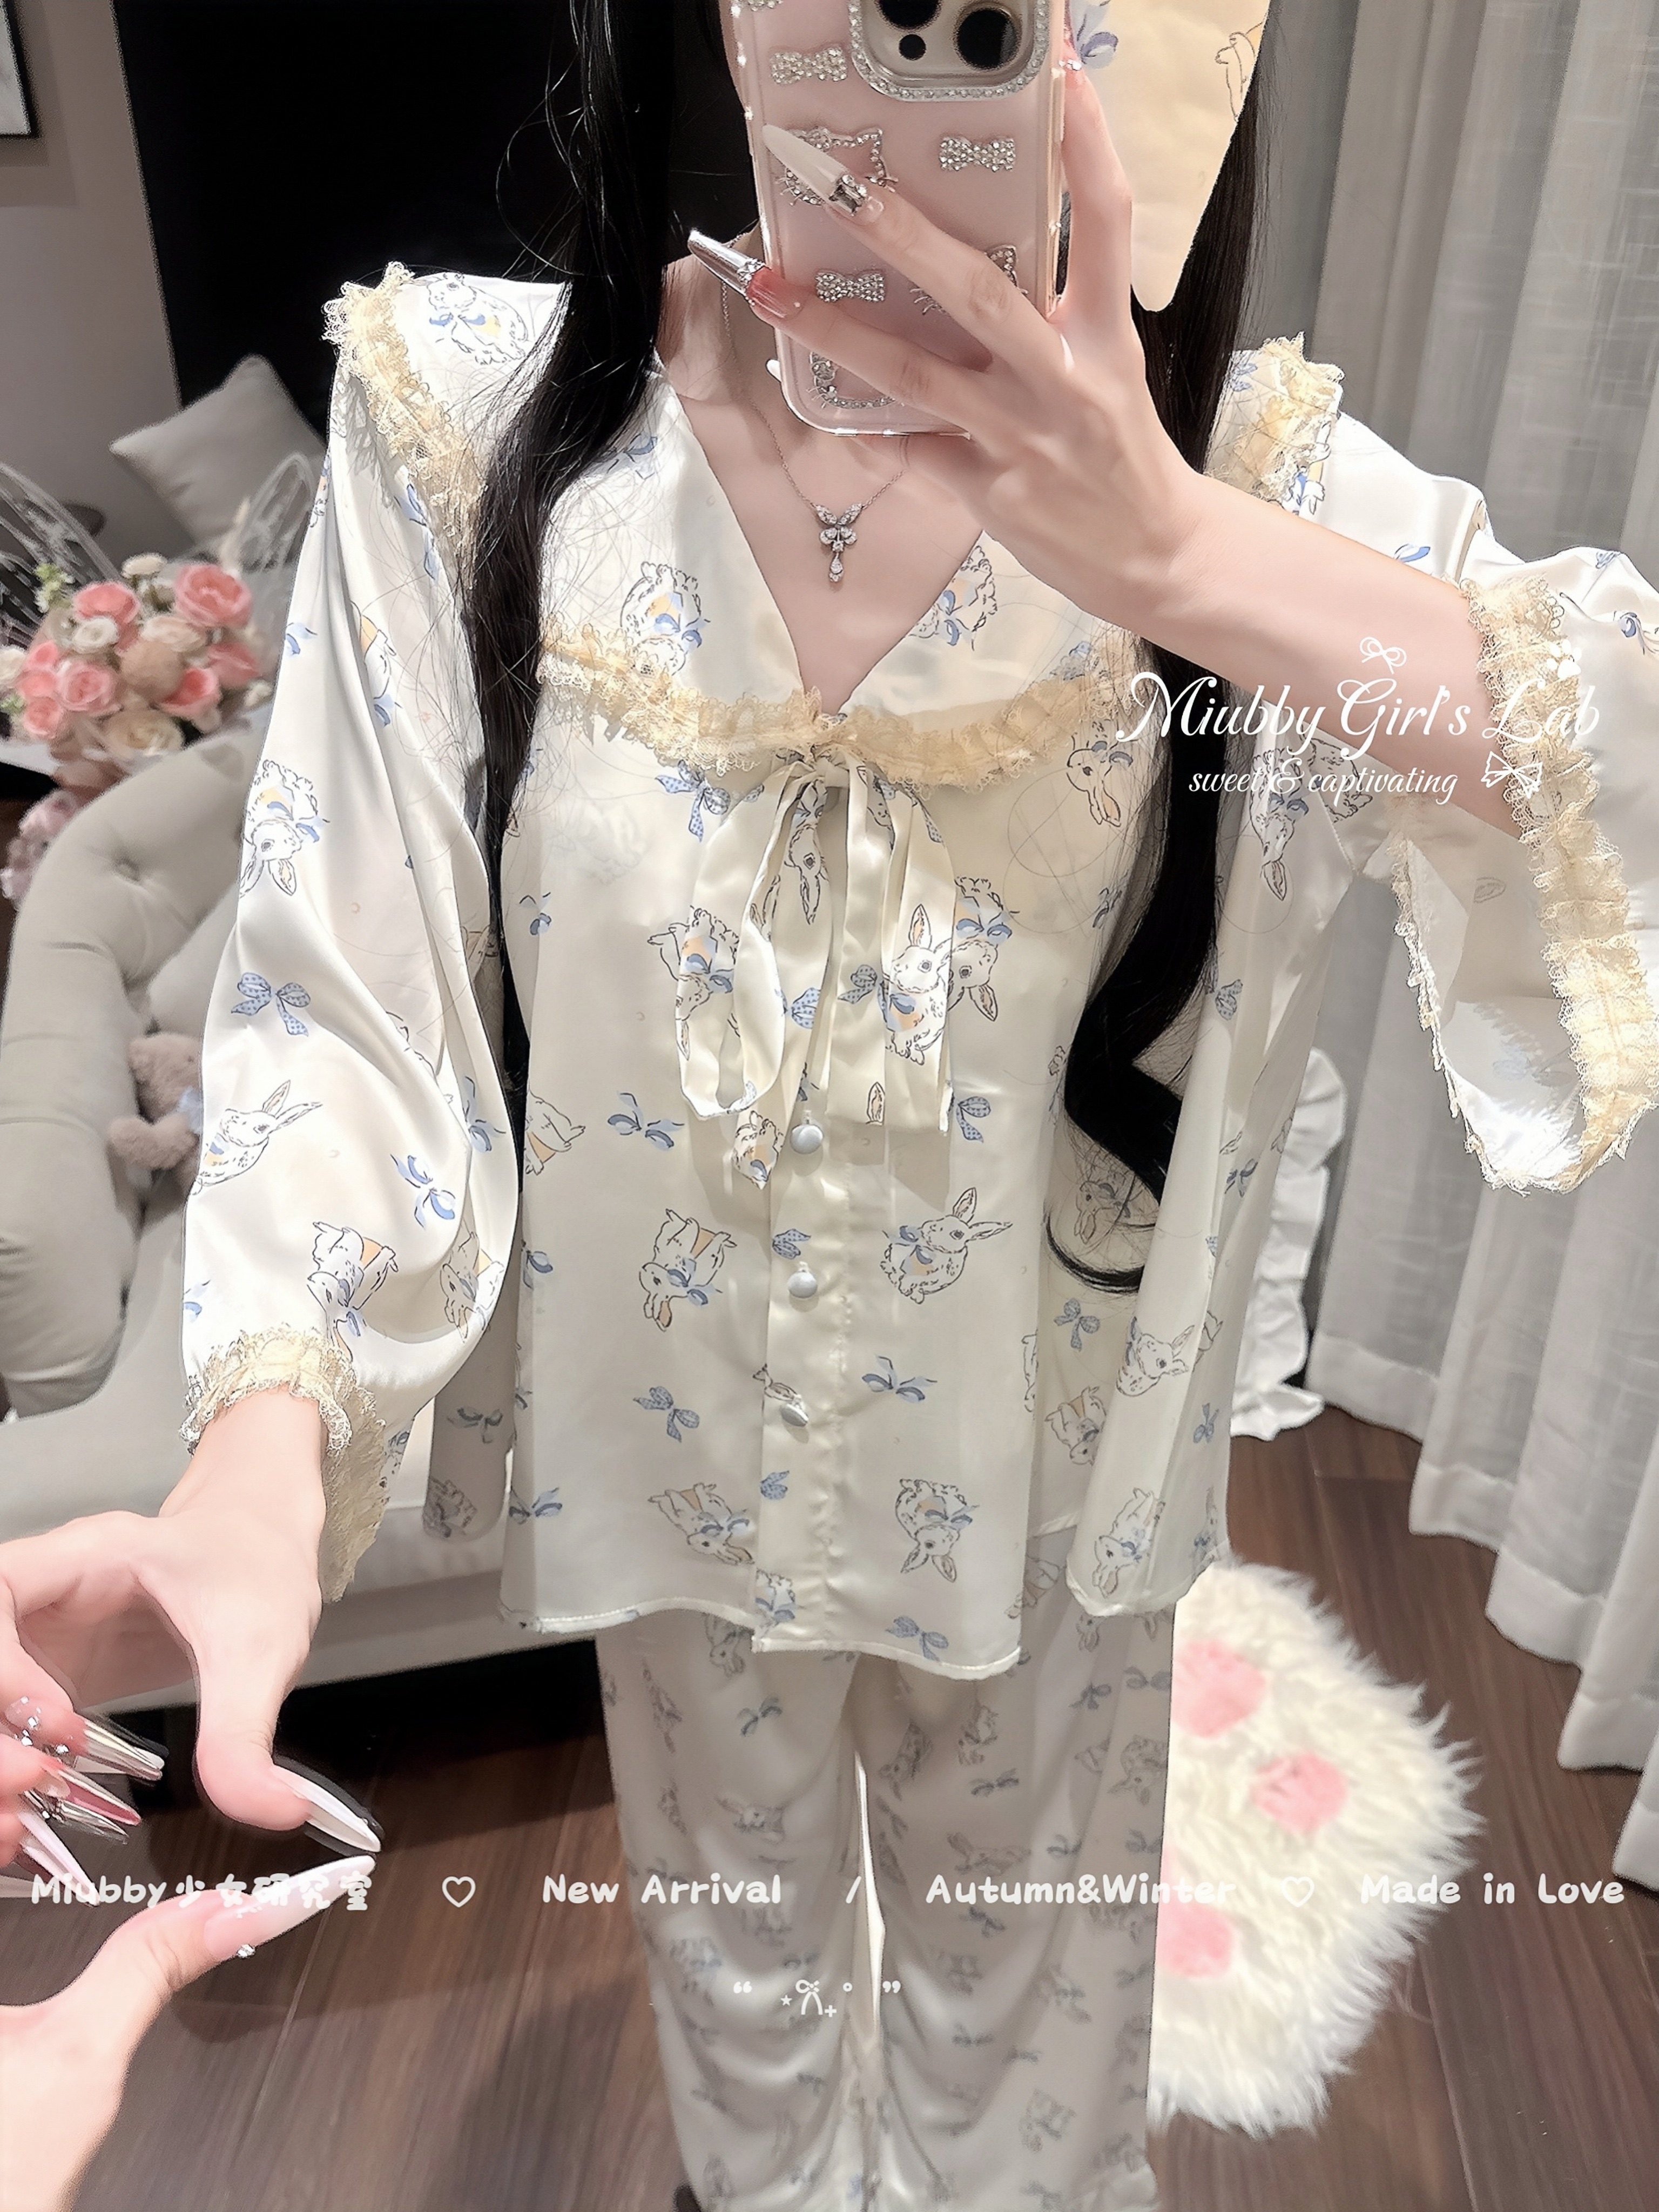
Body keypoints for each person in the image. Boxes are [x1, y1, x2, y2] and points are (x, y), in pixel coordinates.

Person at [5, 5, 1659, 2207]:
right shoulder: (469, 430)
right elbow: (350, 985)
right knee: (741, 2014)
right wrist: (256, 1459)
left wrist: (1180, 555)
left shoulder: (1250, 478)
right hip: (669, 1466)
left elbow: (1613, 760)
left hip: (1052, 1478)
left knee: (1030, 2055)